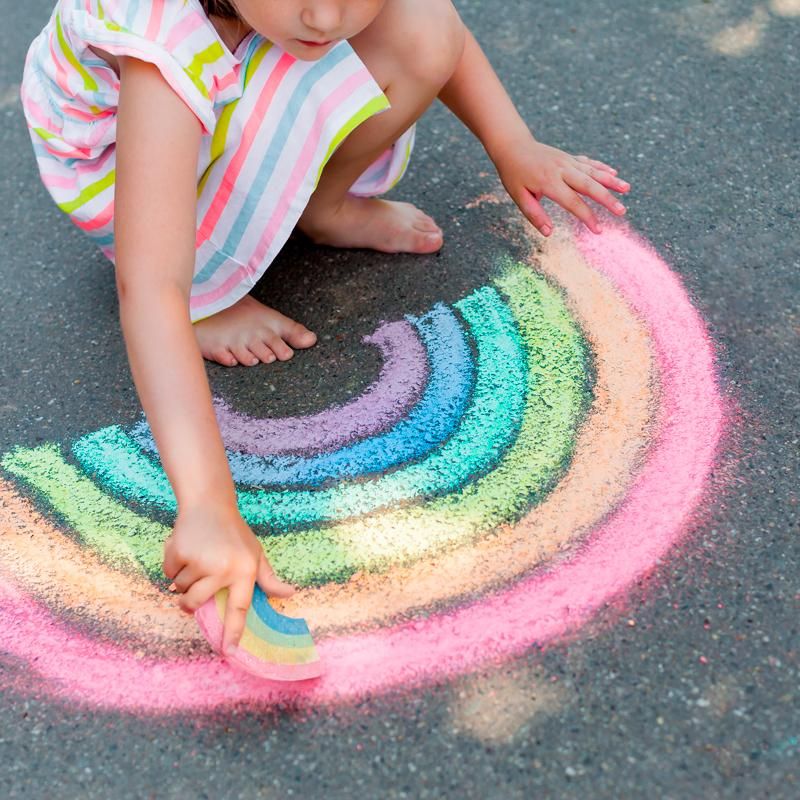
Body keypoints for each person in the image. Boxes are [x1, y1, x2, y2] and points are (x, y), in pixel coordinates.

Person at [21, 0, 630, 659]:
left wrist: (511, 142)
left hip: (224, 83)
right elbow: (149, 289)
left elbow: (432, 26)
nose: (325, 15)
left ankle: (322, 206)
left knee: (419, 27)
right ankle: (212, 288)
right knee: (170, 264)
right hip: (130, 175)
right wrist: (208, 509)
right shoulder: (164, 51)